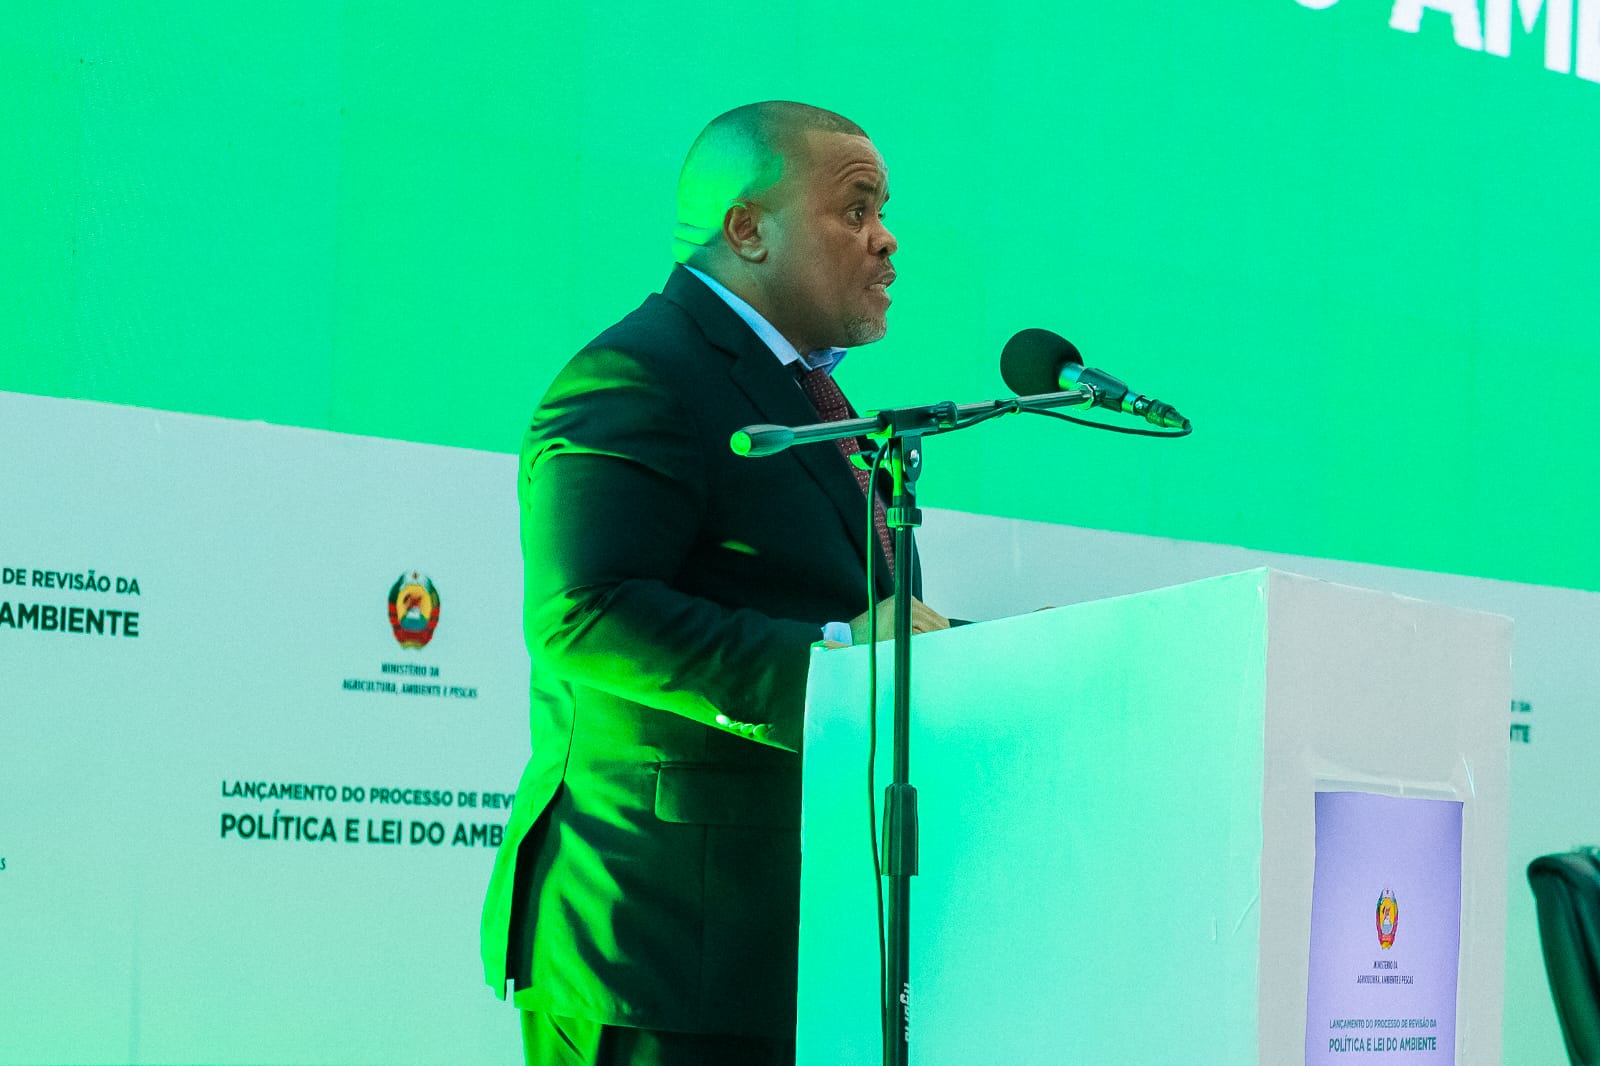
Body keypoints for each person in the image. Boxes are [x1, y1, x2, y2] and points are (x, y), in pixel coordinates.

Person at [480, 100, 949, 1066]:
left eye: (883, 210)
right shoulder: (638, 373)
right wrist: (836, 662)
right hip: (657, 945)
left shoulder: (802, 397)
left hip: (783, 941)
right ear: (747, 229)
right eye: (856, 209)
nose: (886, 237)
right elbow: (583, 612)